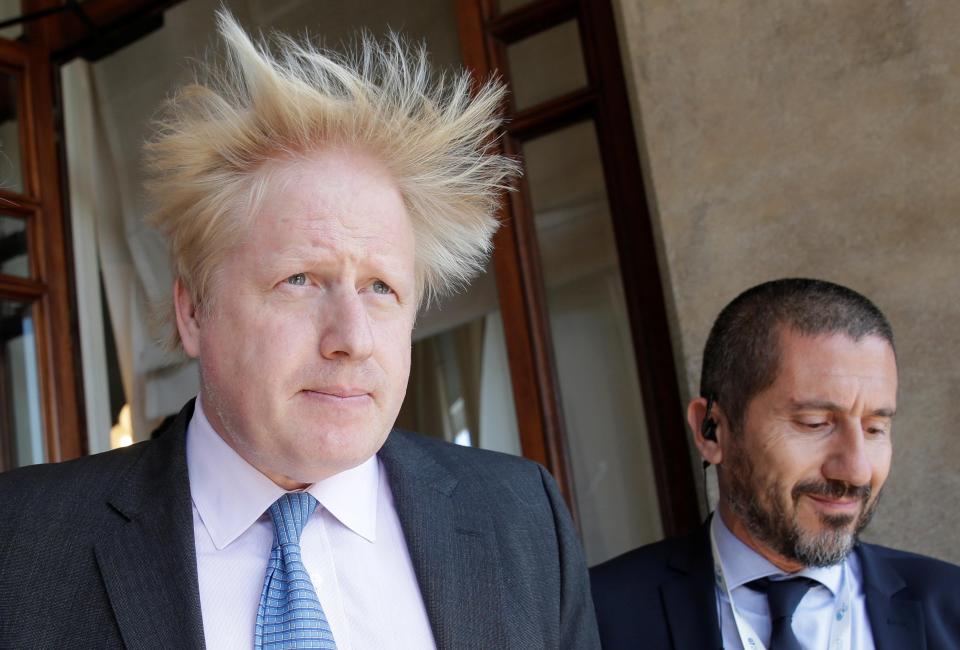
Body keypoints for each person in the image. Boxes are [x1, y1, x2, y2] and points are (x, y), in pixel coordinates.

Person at [0, 12, 599, 649]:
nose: (353, 337)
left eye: (381, 288)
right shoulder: (22, 543)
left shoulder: (522, 518)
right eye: (300, 280)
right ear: (193, 311)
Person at [591, 278, 960, 649]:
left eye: (875, 428)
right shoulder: (595, 616)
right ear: (712, 431)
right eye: (814, 423)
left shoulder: (953, 606)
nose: (856, 471)